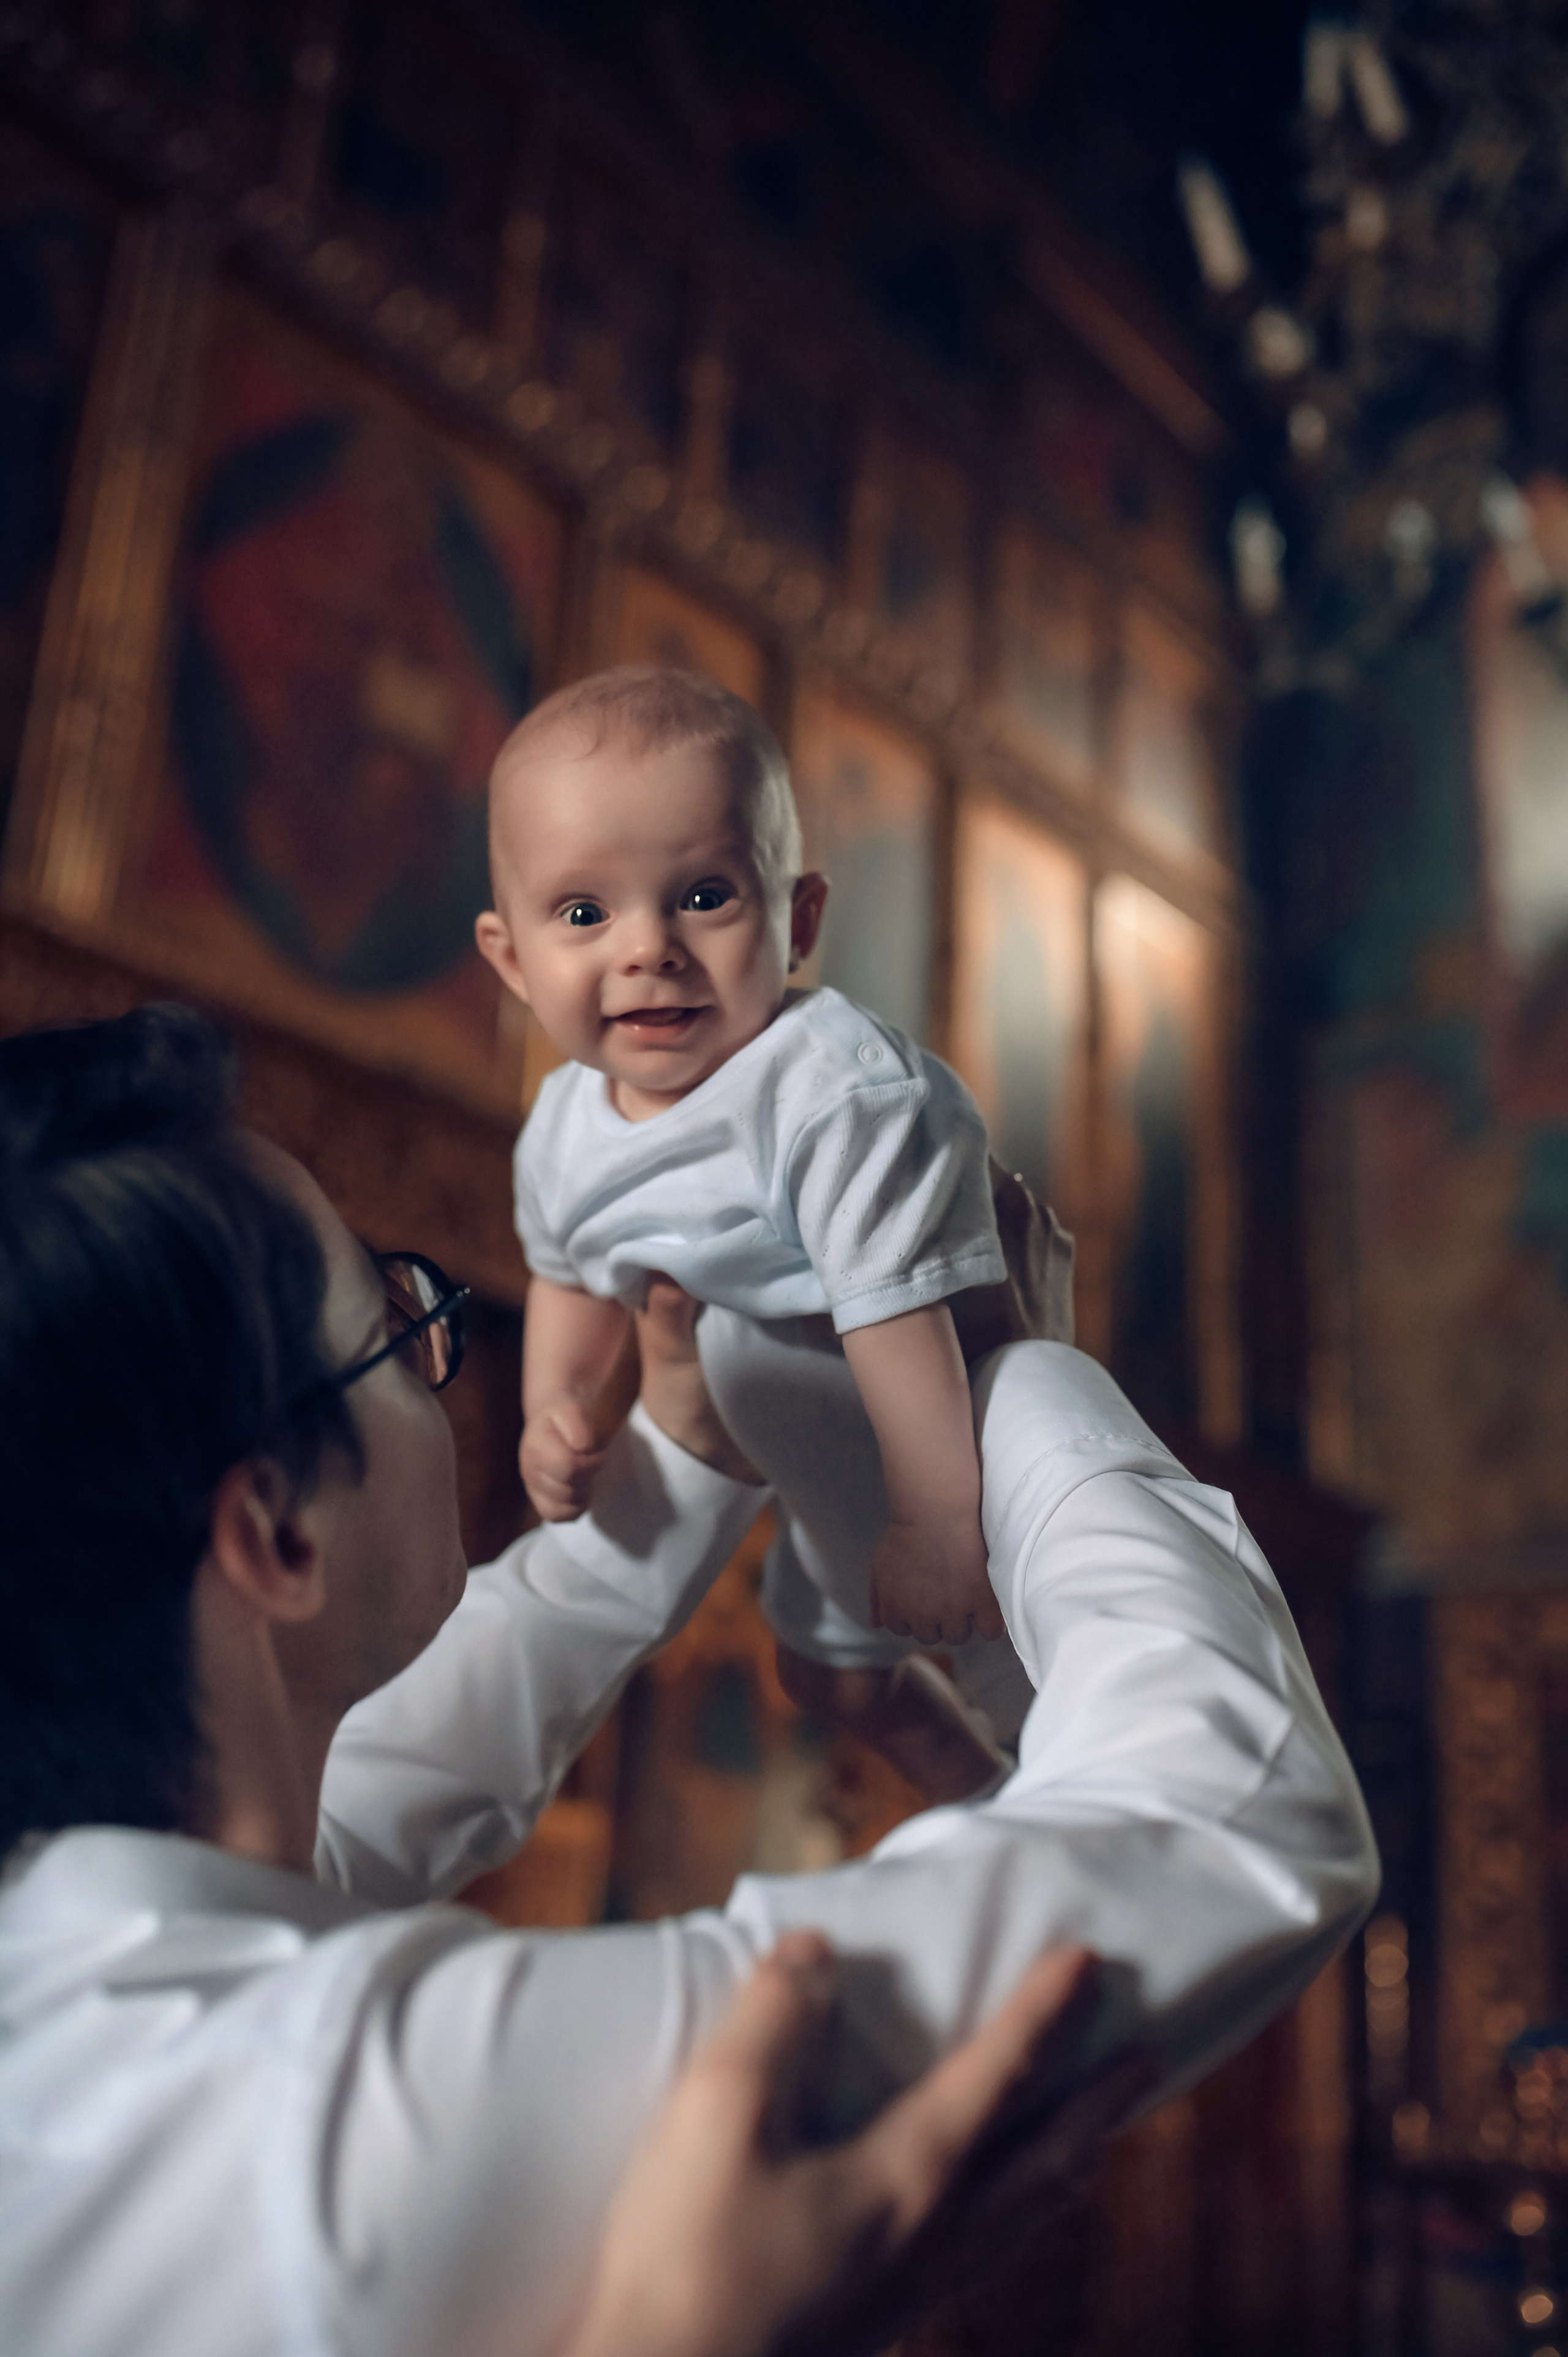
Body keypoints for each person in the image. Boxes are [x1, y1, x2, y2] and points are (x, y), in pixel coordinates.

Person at [0, 1005, 1379, 2357]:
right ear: (275, 1535)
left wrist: (685, 1447)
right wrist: (986, 1381)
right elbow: (1231, 1819)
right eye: (392, 1321)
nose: (434, 1351)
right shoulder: (347, 2111)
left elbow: (401, 1771)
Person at [475, 664, 1025, 1803]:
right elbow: (571, 1272)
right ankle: (988, 1800)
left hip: (942, 1413)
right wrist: (556, 1413)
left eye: (705, 896)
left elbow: (896, 1315)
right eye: (585, 913)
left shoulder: (826, 1091)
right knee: (830, 1683)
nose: (649, 949)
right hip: (801, 1427)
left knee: (1002, 1642)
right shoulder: (563, 1129)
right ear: (513, 962)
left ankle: (1064, 1792)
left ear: (799, 917)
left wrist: (937, 1521)